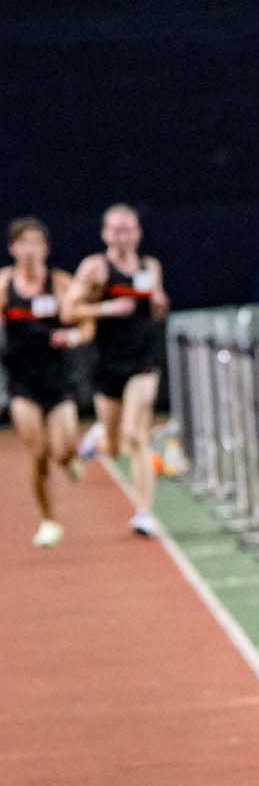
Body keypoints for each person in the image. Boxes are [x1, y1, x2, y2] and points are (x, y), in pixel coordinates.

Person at [63, 203, 169, 536]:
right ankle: (99, 436)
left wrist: (158, 305)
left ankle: (144, 511)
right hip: (107, 362)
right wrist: (107, 307)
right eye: (116, 230)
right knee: (113, 445)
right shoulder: (95, 268)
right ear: (106, 234)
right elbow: (69, 310)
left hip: (143, 361)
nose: (122, 236)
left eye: (128, 229)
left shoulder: (150, 266)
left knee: (135, 436)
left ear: (138, 232)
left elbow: (157, 308)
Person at [3, 218, 91, 547]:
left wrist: (71, 335)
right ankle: (49, 520)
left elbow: (86, 327)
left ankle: (71, 460)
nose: (30, 249)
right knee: (38, 453)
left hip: (59, 380)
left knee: (62, 449)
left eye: (36, 242)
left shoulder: (61, 283)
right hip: (22, 382)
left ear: (46, 248)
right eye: (23, 242)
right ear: (12, 248)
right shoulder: (4, 284)